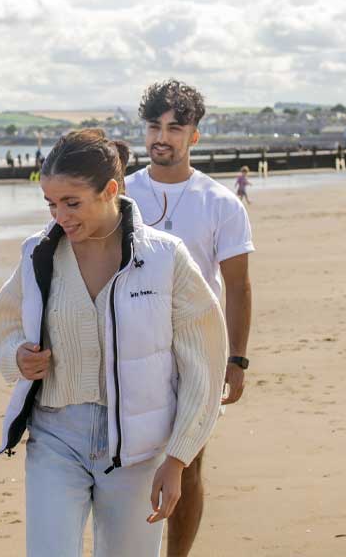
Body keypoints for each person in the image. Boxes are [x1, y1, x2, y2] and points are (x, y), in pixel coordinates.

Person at [0, 129, 227, 557]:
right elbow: (4, 322)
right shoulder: (37, 253)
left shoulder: (164, 257)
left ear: (111, 190)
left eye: (72, 202)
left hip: (140, 448)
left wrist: (178, 457)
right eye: (51, 203)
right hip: (56, 437)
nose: (60, 215)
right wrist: (17, 358)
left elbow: (205, 364)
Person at [124, 79, 254, 557]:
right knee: (130, 463)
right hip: (130, 345)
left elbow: (238, 286)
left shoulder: (220, 203)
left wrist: (236, 359)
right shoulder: (122, 194)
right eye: (154, 126)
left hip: (197, 350)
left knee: (189, 464)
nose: (163, 136)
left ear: (194, 135)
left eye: (175, 127)